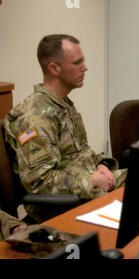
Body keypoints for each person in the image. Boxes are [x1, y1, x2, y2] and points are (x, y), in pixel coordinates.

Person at [3, 34, 126, 221]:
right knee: (136, 210)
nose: (85, 68)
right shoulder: (34, 118)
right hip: (64, 205)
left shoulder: (63, 105)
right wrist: (91, 181)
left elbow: (82, 153)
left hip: (87, 183)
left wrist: (102, 165)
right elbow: (39, 182)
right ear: (54, 68)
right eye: (77, 63)